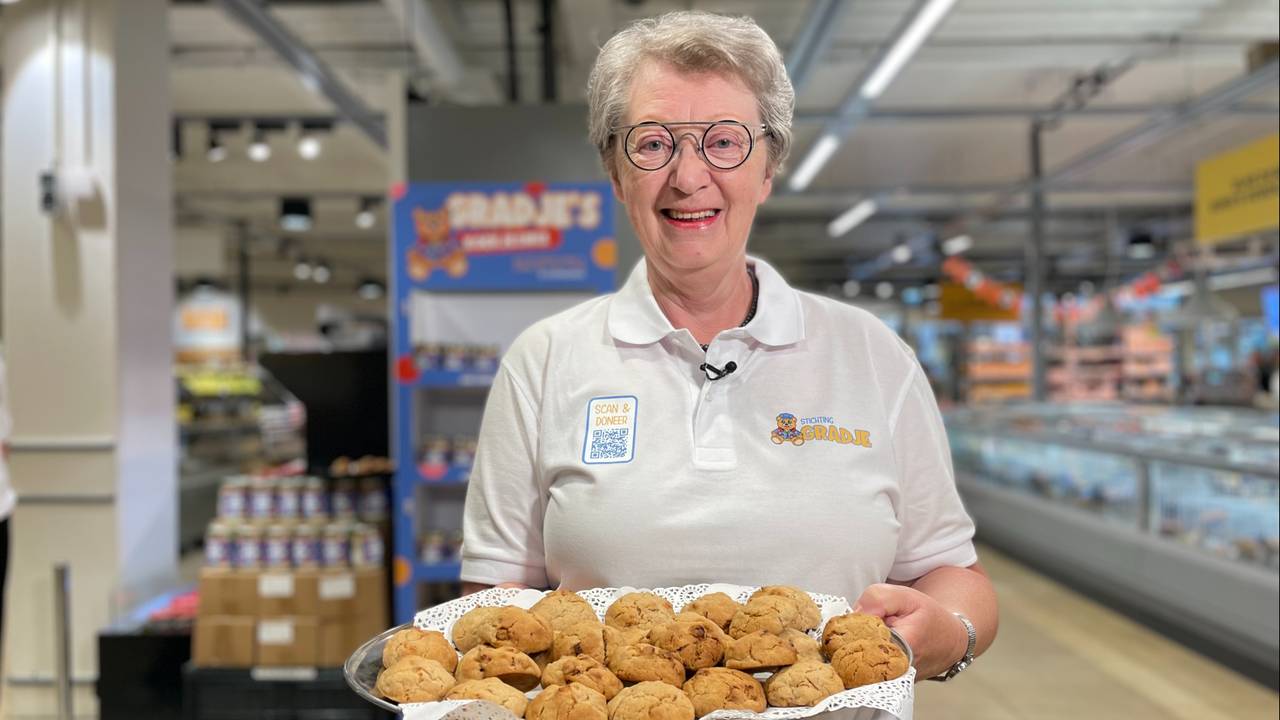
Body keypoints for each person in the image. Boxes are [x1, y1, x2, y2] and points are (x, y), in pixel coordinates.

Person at [460, 10, 996, 681]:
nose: (688, 177)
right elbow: (493, 602)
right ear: (614, 170)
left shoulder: (872, 357)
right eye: (652, 144)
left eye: (724, 142)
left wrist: (953, 631)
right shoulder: (544, 362)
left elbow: (954, 572)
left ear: (768, 166)